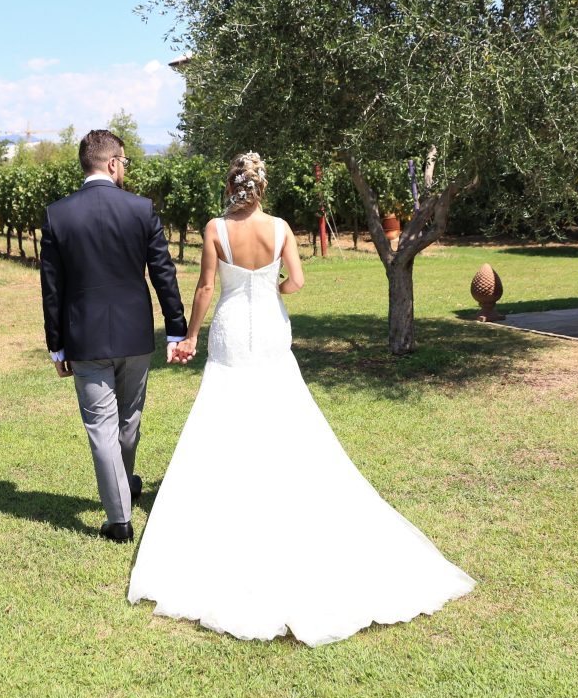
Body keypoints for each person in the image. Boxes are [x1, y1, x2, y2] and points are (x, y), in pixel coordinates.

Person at [128, 151, 475, 646]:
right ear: (261, 188)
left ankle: (231, 497)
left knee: (226, 411)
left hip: (229, 329)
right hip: (269, 328)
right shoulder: (282, 227)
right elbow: (298, 280)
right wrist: (273, 289)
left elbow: (205, 287)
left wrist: (190, 336)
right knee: (281, 409)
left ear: (231, 187)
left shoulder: (214, 228)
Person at [40, 129, 187, 544]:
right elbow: (163, 273)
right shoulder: (141, 209)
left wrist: (57, 346)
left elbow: (51, 287)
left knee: (101, 427)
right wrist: (175, 328)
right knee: (129, 418)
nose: (125, 168)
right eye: (124, 161)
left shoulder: (58, 214)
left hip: (84, 338)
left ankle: (119, 516)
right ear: (112, 162)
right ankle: (122, 497)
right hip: (135, 333)